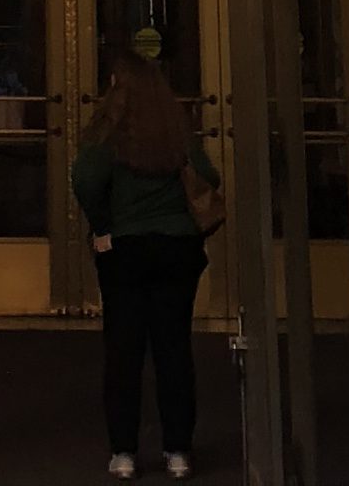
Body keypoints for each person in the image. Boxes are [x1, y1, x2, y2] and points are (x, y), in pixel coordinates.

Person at [73, 32, 220, 483]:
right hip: (177, 247)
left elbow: (86, 178)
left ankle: (124, 452)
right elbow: (207, 177)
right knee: (174, 349)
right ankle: (177, 450)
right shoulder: (175, 126)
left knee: (124, 351)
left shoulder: (109, 130)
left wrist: (102, 228)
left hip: (126, 250)